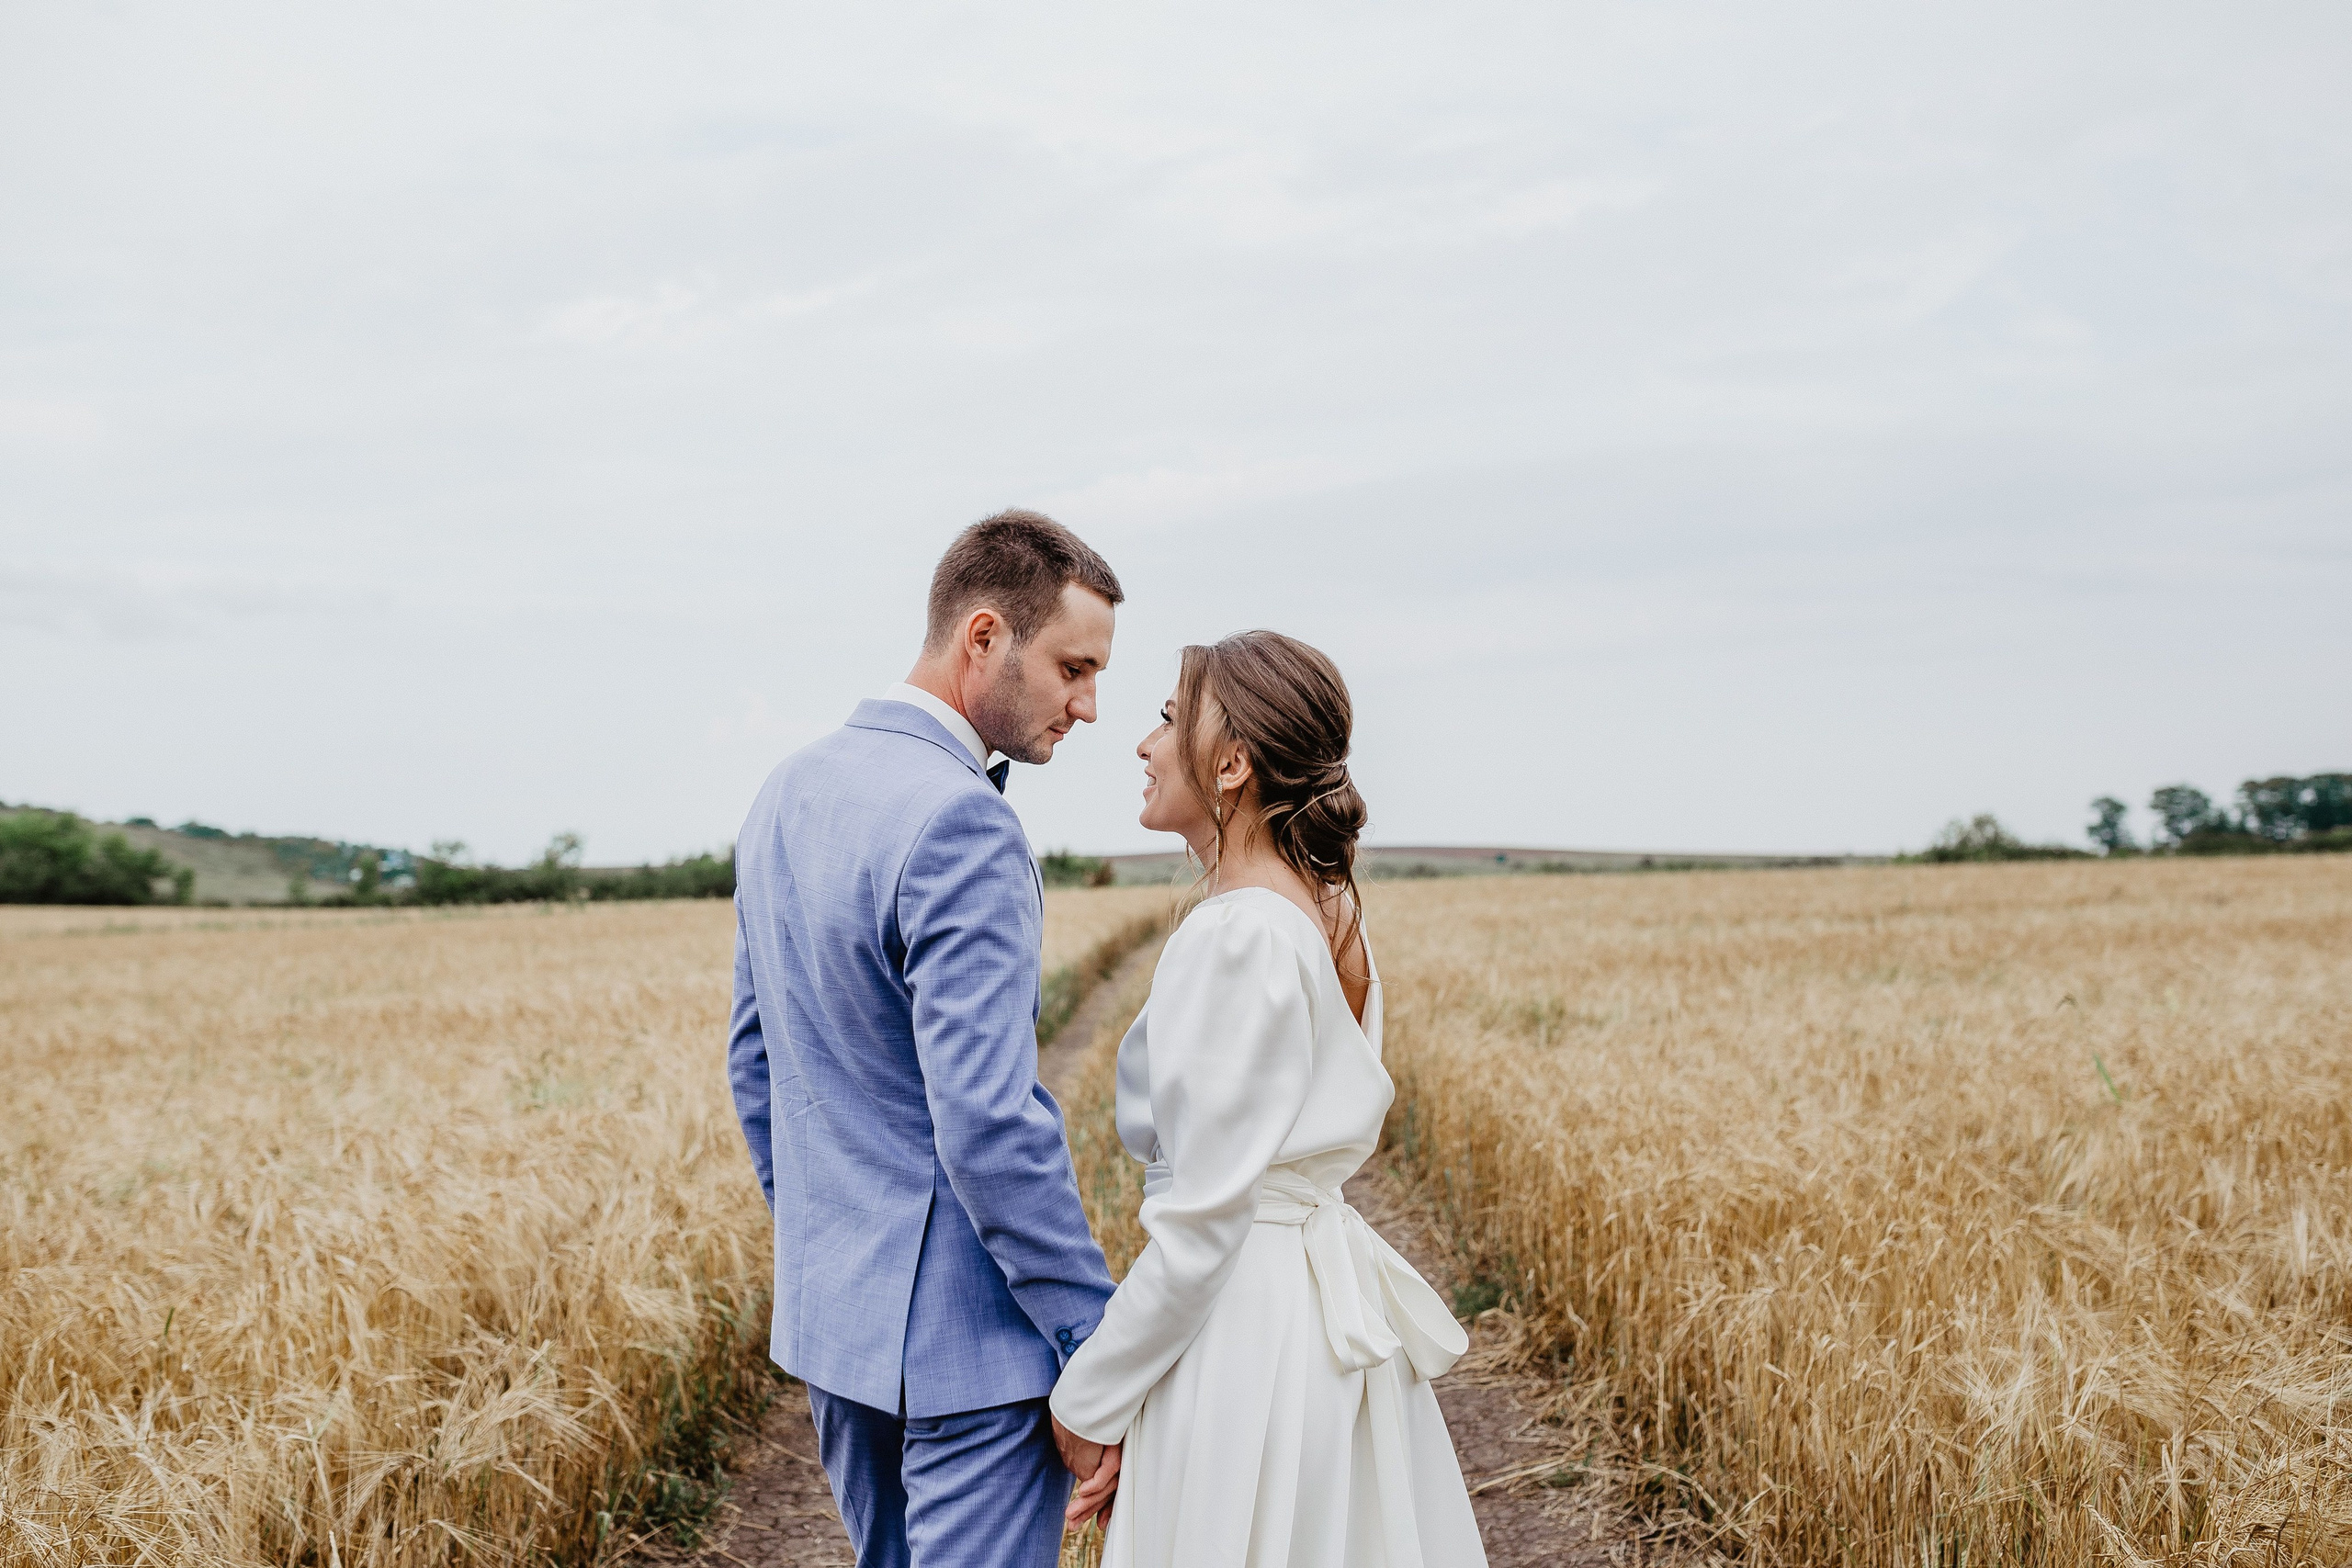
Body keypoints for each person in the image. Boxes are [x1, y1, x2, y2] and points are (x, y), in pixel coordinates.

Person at [728, 510, 1125, 1568]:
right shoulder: (962, 820)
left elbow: (755, 1064)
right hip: (971, 1354)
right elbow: (987, 1121)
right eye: (1074, 668)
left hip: (837, 1332)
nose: (1089, 706)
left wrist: (838, 1247)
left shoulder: (787, 791)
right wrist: (1093, 1343)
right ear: (983, 636)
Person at [1048, 630, 1488, 1567]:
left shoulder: (1238, 935)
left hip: (1246, 1341)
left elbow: (1205, 1220)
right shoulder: (1327, 913)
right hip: (1313, 1326)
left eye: (1168, 719)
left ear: (1232, 764)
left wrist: (1088, 1400)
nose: (1144, 744)